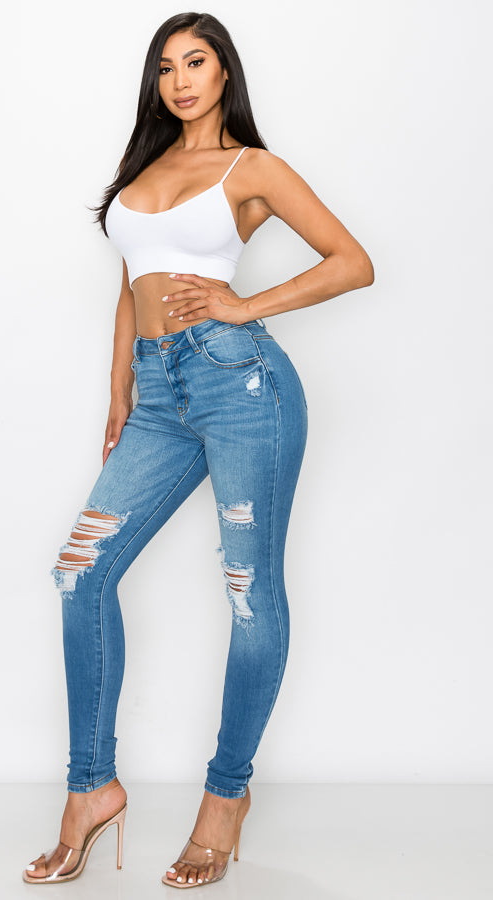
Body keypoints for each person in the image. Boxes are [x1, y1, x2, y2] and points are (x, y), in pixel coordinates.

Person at [22, 10, 374, 890]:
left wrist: (243, 307)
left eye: (197, 62)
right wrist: (120, 390)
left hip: (240, 383)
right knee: (79, 572)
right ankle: (90, 790)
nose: (180, 80)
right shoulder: (142, 171)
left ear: (224, 74)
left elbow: (352, 261)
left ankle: (226, 797)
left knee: (249, 592)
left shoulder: (251, 168)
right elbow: (130, 283)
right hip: (157, 395)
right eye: (167, 66)